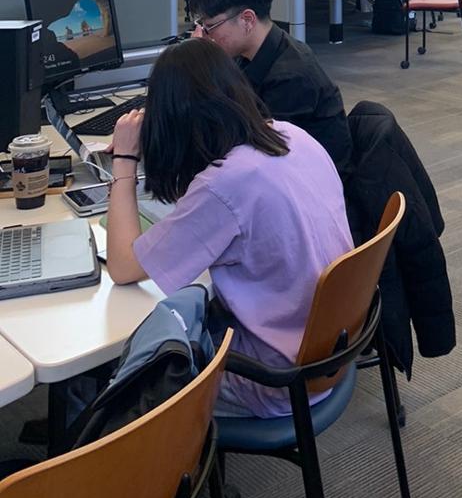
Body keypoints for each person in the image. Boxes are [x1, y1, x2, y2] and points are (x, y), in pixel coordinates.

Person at [106, 40, 355, 416]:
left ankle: (91, 435)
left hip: (272, 379)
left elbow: (124, 267)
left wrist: (124, 161)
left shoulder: (224, 185)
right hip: (327, 349)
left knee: (138, 360)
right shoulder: (291, 135)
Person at [187, 0, 352, 179]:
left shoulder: (291, 78)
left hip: (309, 189)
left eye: (211, 27)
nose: (206, 35)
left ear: (247, 20)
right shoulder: (250, 54)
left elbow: (255, 155)